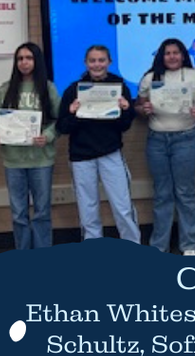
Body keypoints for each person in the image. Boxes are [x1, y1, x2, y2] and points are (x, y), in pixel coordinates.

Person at [136, 37, 195, 256]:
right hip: (157, 141)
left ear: (183, 55)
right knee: (162, 194)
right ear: (161, 56)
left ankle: (189, 245)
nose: (172, 57)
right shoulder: (149, 78)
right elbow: (138, 108)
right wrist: (144, 110)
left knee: (185, 193)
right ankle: (159, 245)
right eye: (167, 53)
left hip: (186, 139)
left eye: (176, 52)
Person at [56, 45, 141, 243]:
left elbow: (125, 125)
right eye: (92, 61)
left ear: (109, 62)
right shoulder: (73, 90)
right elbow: (62, 127)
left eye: (101, 60)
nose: (97, 65)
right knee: (87, 209)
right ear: (86, 63)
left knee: (123, 206)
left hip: (110, 153)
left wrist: (126, 109)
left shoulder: (119, 87)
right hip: (81, 157)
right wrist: (72, 113)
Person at [0, 42, 60, 250]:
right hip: (13, 160)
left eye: (29, 58)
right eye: (20, 59)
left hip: (41, 159)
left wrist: (47, 136)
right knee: (18, 213)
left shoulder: (48, 88)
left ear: (37, 61)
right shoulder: (5, 89)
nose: (24, 62)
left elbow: (59, 120)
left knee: (42, 212)